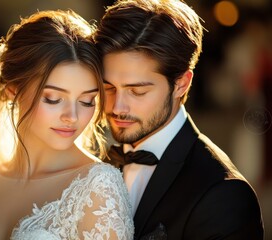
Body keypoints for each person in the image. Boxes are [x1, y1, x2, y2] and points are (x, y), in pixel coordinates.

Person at [0, 10, 134, 239]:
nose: (73, 116)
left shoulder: (98, 188)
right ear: (13, 91)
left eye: (87, 101)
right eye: (53, 99)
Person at [94, 0, 264, 239]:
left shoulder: (223, 195)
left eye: (137, 91)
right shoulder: (92, 166)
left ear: (181, 84)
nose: (116, 107)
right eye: (108, 87)